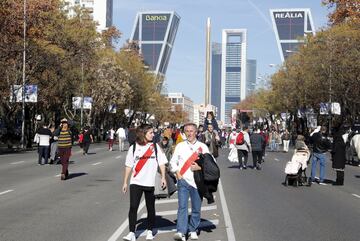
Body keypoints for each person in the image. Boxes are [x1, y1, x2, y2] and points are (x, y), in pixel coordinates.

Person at [122, 124, 167, 241]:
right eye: (151, 133)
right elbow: (128, 165)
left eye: (153, 132)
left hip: (151, 183)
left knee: (150, 208)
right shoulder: (133, 148)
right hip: (136, 182)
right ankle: (132, 232)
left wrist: (163, 177)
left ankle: (150, 231)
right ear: (143, 134)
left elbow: (162, 163)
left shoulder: (155, 147)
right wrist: (125, 182)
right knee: (133, 207)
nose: (153, 134)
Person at [170, 123, 210, 241]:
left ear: (196, 132)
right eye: (187, 131)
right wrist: (177, 172)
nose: (189, 133)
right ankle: (181, 232)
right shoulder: (180, 146)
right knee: (182, 207)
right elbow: (173, 162)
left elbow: (211, 164)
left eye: (191, 131)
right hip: (183, 181)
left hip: (198, 182)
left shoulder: (203, 147)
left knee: (196, 207)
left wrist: (200, 168)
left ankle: (193, 229)